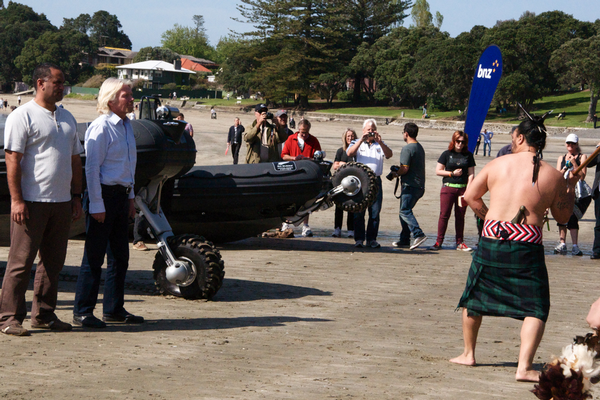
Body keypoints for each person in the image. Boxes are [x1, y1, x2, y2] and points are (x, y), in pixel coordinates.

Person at [450, 115, 578, 382]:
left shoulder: (497, 164)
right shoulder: (552, 175)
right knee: (536, 305)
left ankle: (468, 354)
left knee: (473, 297)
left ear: (521, 138)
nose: (511, 142)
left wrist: (488, 218)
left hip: (492, 240)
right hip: (526, 245)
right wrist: (570, 187)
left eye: (512, 138)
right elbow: (563, 217)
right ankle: (524, 367)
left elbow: (470, 197)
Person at [0, 63, 83, 336]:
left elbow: (74, 160)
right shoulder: (22, 116)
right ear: (40, 83)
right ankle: (9, 318)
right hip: (32, 202)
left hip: (60, 202)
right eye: (57, 82)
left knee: (53, 263)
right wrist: (17, 200)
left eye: (63, 83)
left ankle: (44, 314)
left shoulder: (68, 118)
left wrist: (75, 196)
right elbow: (13, 159)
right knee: (20, 263)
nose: (62, 87)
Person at [73, 77, 143, 328]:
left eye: (130, 94)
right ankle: (82, 311)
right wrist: (97, 205)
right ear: (111, 99)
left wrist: (131, 197)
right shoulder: (101, 127)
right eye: (126, 95)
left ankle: (113, 309)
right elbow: (92, 169)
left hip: (121, 196)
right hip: (102, 195)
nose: (131, 99)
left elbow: (128, 166)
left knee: (120, 257)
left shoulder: (126, 126)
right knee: (94, 257)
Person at [347, 119, 393, 248]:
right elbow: (349, 153)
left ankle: (372, 239)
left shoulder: (379, 144)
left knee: (375, 211)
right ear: (363, 131)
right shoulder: (357, 142)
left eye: (373, 129)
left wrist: (380, 142)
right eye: (368, 130)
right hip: (361, 180)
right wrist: (361, 140)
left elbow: (389, 154)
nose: (371, 132)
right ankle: (359, 239)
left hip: (376, 180)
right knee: (359, 211)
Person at [431, 131, 475, 251]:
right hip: (448, 187)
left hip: (462, 189)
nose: (460, 144)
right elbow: (438, 171)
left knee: (460, 216)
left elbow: (471, 174)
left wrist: (468, 190)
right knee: (444, 215)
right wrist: (451, 173)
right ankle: (438, 242)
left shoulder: (468, 155)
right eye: (458, 141)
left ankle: (459, 242)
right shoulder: (446, 154)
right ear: (453, 141)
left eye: (463, 142)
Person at [281, 119, 321, 237]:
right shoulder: (291, 138)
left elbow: (318, 157)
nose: (304, 134)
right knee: (290, 199)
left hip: (307, 174)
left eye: (306, 132)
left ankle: (305, 225)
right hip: (292, 174)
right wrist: (294, 158)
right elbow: (283, 155)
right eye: (302, 132)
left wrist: (307, 159)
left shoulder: (313, 140)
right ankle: (287, 223)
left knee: (306, 201)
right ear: (298, 130)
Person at [392, 122, 427, 250]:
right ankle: (404, 239)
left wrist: (396, 173)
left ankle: (418, 234)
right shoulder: (419, 147)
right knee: (404, 211)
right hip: (419, 185)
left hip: (410, 185)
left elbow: (405, 168)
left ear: (406, 134)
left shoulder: (407, 148)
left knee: (404, 211)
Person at [554, 134, 589, 256]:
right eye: (568, 143)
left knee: (573, 218)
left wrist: (574, 163)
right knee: (561, 217)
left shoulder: (582, 157)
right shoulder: (561, 158)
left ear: (577, 144)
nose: (570, 146)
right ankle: (562, 243)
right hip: (564, 191)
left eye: (573, 144)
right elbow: (558, 176)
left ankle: (575, 245)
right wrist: (565, 166)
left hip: (576, 193)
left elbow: (582, 176)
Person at [332, 128, 357, 238]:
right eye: (348, 136)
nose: (350, 138)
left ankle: (351, 229)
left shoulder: (357, 152)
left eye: (352, 136)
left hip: (354, 182)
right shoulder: (340, 151)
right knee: (339, 206)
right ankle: (337, 229)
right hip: (341, 182)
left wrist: (344, 164)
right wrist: (342, 164)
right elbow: (335, 165)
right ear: (344, 138)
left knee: (351, 205)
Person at [585, 140, 600, 259]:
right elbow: (588, 163)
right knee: (599, 223)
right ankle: (597, 250)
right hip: (599, 192)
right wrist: (597, 150)